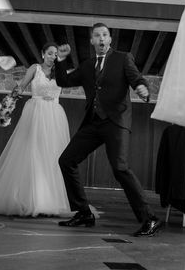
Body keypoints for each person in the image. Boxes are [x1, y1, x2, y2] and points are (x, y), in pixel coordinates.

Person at [55, 23, 162, 237]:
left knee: (120, 168)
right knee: (66, 160)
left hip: (116, 121)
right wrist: (60, 60)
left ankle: (149, 218)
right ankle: (84, 212)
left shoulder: (123, 58)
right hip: (93, 123)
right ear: (92, 41)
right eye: (97, 35)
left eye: (105, 35)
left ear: (110, 39)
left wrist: (141, 86)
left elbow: (135, 77)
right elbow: (63, 80)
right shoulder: (86, 65)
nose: (101, 39)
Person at [0, 42, 70, 216]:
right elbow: (20, 87)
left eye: (55, 54)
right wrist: (7, 104)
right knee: (32, 152)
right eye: (50, 53)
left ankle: (50, 200)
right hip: (35, 112)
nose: (53, 57)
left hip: (54, 116)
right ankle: (28, 198)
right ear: (43, 54)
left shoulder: (61, 72)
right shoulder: (35, 69)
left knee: (51, 155)